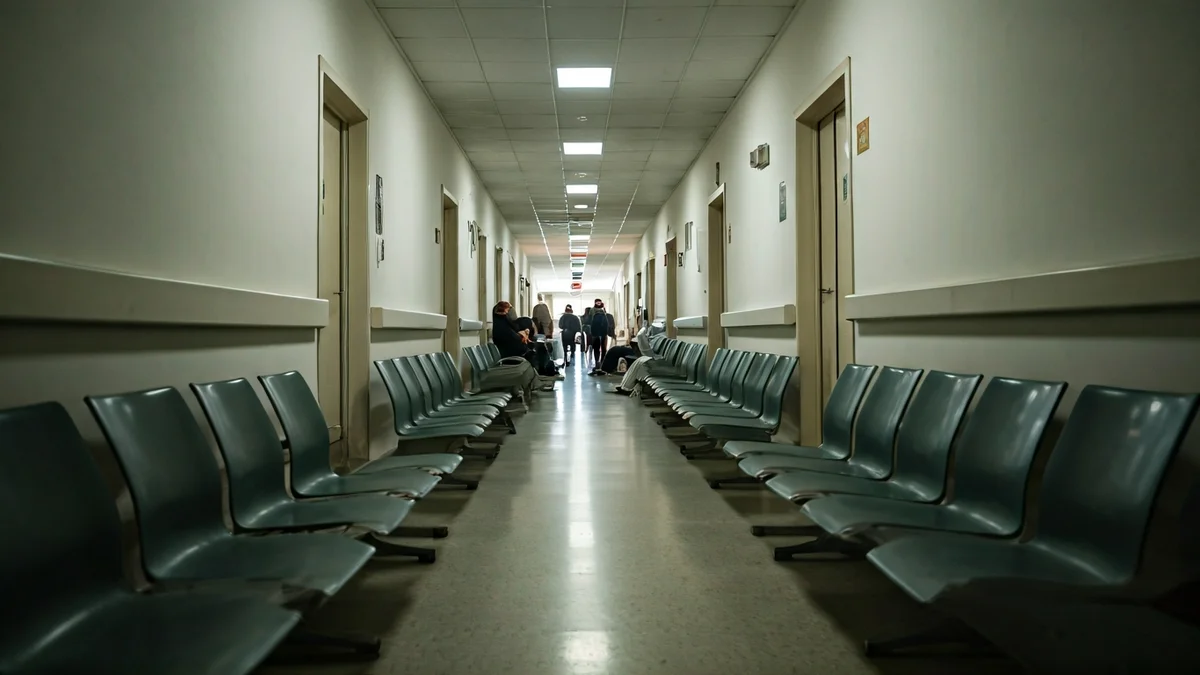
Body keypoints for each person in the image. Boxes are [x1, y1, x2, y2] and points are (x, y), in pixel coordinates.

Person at [588, 302, 610, 367]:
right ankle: (602, 361)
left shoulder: (594, 317)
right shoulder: (605, 317)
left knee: (596, 349)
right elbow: (606, 326)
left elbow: (592, 326)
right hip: (603, 335)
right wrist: (605, 333)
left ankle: (596, 361)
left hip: (596, 335)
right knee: (603, 349)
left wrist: (593, 334)